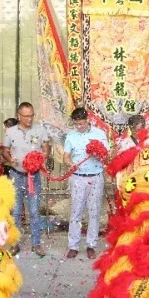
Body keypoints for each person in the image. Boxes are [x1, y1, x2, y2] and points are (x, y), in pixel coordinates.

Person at [2, 102, 50, 257]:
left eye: (32, 115)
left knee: (34, 211)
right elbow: (4, 150)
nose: (30, 119)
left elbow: (46, 146)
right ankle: (15, 243)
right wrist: (10, 159)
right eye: (26, 116)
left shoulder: (40, 129)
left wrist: (43, 156)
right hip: (17, 175)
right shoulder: (10, 132)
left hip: (34, 176)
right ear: (19, 116)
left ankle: (36, 244)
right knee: (15, 212)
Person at [63, 107, 109, 260]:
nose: (79, 127)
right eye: (77, 124)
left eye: (82, 123)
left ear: (88, 120)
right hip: (78, 178)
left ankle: (91, 245)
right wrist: (70, 164)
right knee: (76, 213)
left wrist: (99, 154)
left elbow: (107, 156)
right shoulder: (71, 136)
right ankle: (73, 246)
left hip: (95, 176)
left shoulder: (99, 134)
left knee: (94, 212)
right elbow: (66, 156)